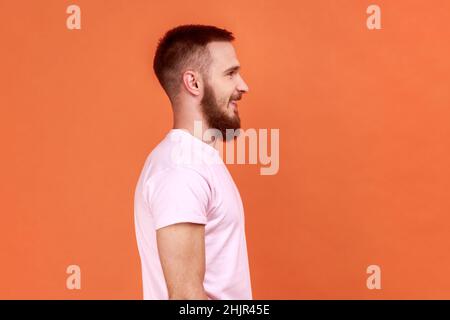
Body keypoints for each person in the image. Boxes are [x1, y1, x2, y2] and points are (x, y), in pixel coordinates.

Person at [134, 24, 252, 300]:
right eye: (231, 73)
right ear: (194, 83)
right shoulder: (181, 171)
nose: (243, 85)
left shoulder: (197, 161)